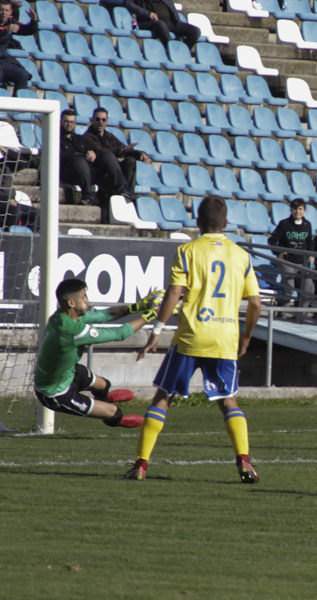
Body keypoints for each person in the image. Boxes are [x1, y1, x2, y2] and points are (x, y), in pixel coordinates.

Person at [126, 195, 263, 483]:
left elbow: (175, 292)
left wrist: (157, 330)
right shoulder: (241, 255)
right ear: (226, 224)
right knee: (228, 400)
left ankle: (140, 465)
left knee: (163, 397)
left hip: (190, 337)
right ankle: (245, 462)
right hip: (225, 339)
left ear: (198, 223)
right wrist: (247, 337)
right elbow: (256, 303)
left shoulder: (188, 250)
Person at [33, 280, 165, 429]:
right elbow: (119, 333)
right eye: (83, 297)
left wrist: (138, 306)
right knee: (115, 412)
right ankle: (116, 418)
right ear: (71, 303)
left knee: (103, 385)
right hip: (56, 393)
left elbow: (106, 315)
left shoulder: (61, 316)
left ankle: (106, 399)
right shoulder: (72, 330)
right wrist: (152, 314)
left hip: (68, 372)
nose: (87, 300)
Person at [83, 107, 152, 221]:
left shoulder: (109, 136)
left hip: (111, 173)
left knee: (130, 161)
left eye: (103, 120)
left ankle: (127, 193)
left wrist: (140, 155)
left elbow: (125, 149)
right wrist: (121, 150)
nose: (100, 122)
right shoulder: (87, 137)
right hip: (97, 173)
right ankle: (123, 188)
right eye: (98, 119)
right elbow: (101, 151)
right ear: (93, 120)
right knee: (107, 154)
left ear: (107, 122)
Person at [0, 0, 37, 92]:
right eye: (1, 10)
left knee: (23, 76)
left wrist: (33, 21)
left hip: (2, 60)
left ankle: (17, 104)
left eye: (6, 10)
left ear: (11, 12)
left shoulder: (11, 21)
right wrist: (4, 29)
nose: (4, 13)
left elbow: (27, 30)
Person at [267, 198, 313, 308]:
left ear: (304, 211)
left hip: (302, 262)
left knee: (308, 289)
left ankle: (301, 315)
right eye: (295, 209)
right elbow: (272, 240)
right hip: (287, 261)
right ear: (291, 210)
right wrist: (279, 253)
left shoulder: (307, 225)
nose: (297, 211)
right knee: (289, 289)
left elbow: (309, 242)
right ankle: (282, 313)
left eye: (300, 209)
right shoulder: (284, 224)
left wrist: (311, 254)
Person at [58, 110, 98, 206]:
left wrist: (91, 153)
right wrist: (81, 156)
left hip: (83, 172)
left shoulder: (80, 139)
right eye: (66, 121)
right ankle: (88, 196)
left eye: (72, 122)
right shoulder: (55, 138)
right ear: (61, 121)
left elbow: (88, 150)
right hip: (66, 173)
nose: (69, 124)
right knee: (79, 160)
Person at [123, 0, 200, 49]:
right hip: (152, 22)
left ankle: (182, 52)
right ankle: (171, 50)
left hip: (171, 22)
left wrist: (176, 18)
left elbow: (171, 6)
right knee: (161, 25)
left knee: (195, 31)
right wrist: (148, 14)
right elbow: (128, 3)